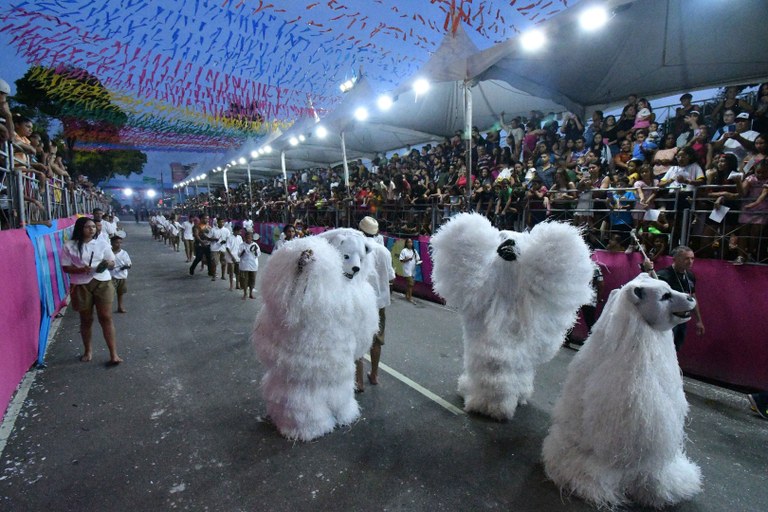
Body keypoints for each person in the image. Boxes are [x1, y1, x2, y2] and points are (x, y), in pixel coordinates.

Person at [60, 217, 122, 364]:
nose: (92, 229)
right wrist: (80, 269)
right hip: (80, 284)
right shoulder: (69, 245)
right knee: (86, 319)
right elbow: (65, 267)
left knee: (106, 317)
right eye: (88, 227)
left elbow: (112, 262)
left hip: (102, 282)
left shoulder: (102, 243)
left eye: (93, 227)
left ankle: (113, 354)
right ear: (80, 228)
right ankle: (88, 350)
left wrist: (106, 264)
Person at [356, 216, 395, 392]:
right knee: (376, 340)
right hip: (379, 303)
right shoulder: (384, 251)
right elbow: (391, 277)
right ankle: (374, 374)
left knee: (357, 339)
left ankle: (358, 381)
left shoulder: (357, 248)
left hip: (360, 301)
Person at [641, 245, 705, 351]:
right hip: (667, 320)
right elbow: (649, 292)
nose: (690, 262)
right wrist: (647, 271)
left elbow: (692, 297)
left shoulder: (690, 276)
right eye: (686, 258)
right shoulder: (663, 275)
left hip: (682, 319)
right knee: (663, 349)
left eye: (692, 258)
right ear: (675, 259)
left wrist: (699, 320)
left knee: (676, 348)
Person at [109, 231, 132, 314]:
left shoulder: (124, 253)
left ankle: (120, 306)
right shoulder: (108, 253)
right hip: (111, 276)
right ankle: (108, 309)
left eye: (120, 243)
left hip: (122, 276)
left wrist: (126, 266)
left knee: (120, 292)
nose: (118, 244)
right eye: (116, 243)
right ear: (111, 243)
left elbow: (129, 264)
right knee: (110, 294)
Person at [238, 230, 261, 300]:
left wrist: (255, 252)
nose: (248, 239)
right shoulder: (242, 245)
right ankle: (245, 293)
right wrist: (243, 252)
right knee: (244, 280)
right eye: (246, 237)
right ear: (244, 238)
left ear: (252, 238)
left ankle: (251, 293)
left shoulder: (255, 245)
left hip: (253, 266)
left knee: (252, 280)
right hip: (244, 266)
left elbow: (258, 254)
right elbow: (239, 255)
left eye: (249, 237)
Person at [398, 238, 421, 304]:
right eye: (408, 242)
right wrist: (407, 259)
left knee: (409, 284)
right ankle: (410, 298)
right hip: (406, 269)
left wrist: (418, 262)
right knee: (411, 283)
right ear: (406, 243)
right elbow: (401, 260)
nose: (410, 243)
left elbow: (417, 259)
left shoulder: (414, 251)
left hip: (413, 269)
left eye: (411, 242)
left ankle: (407, 295)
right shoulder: (404, 251)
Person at [225, 224, 243, 291]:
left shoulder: (240, 237)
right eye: (239, 231)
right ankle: (231, 285)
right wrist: (232, 257)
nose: (240, 232)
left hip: (237, 257)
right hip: (231, 258)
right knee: (231, 272)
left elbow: (241, 246)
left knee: (238, 272)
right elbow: (227, 248)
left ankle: (237, 285)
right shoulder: (230, 237)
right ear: (235, 231)